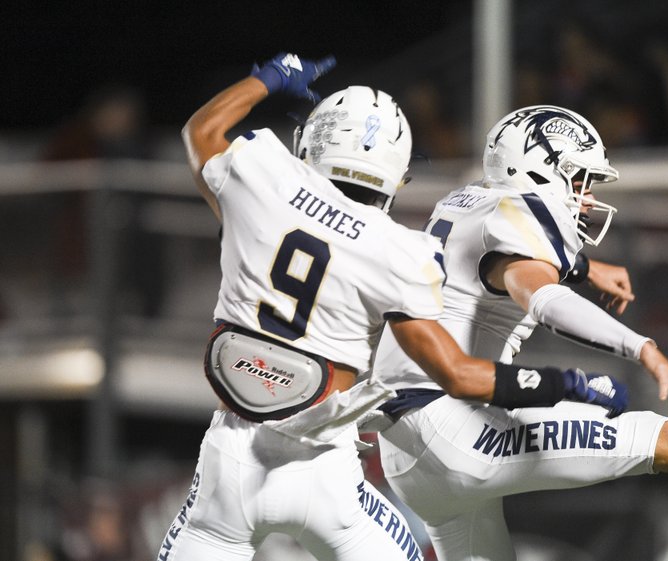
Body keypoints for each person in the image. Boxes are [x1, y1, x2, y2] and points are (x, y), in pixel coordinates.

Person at [157, 55, 631, 561]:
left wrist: (268, 77)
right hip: (327, 471)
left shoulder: (260, 181)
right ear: (396, 176)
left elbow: (203, 130)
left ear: (309, 143)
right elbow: (459, 376)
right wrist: (569, 385)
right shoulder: (400, 251)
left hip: (229, 460)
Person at [371, 105, 668, 561]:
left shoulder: (468, 200)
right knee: (663, 439)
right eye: (580, 182)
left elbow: (502, 262)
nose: (589, 199)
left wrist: (588, 268)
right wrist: (643, 348)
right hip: (451, 431)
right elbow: (542, 296)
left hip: (404, 449)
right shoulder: (520, 209)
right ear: (538, 172)